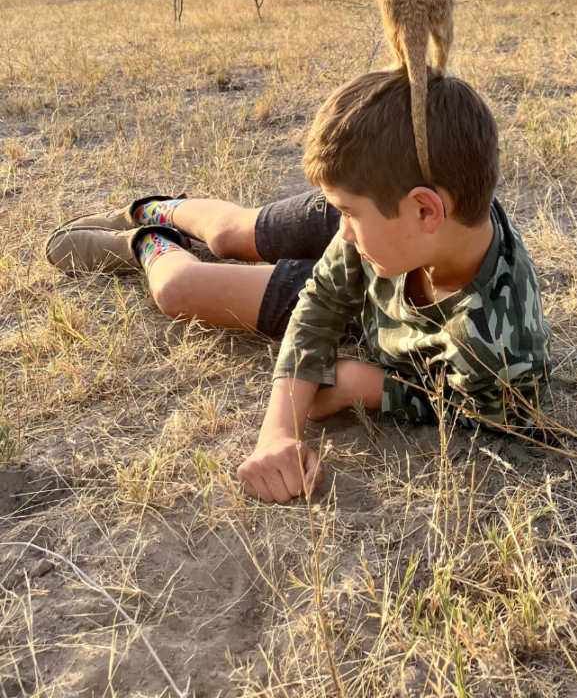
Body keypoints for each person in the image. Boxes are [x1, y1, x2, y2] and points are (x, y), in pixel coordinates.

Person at [46, 68, 551, 504]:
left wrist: (368, 387)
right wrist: (278, 433)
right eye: (341, 217)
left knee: (179, 289)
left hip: (383, 231)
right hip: (380, 213)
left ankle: (147, 241)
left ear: (426, 210)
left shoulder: (497, 349)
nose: (341, 230)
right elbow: (321, 302)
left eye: (347, 217)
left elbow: (485, 413)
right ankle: (156, 207)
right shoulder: (387, 224)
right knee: (228, 236)